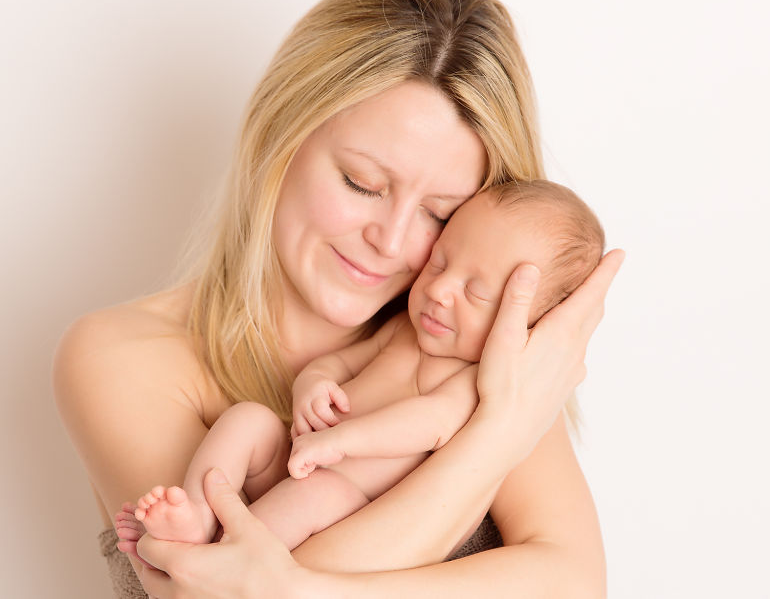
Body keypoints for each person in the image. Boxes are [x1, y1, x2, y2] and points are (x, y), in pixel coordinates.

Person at [53, 0, 624, 597]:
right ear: (278, 137)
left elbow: (574, 581)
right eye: (362, 183)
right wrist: (499, 435)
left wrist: (288, 588)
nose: (393, 240)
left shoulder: (463, 346)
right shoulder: (121, 356)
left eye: (440, 213)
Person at [114, 179, 605, 555]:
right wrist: (314, 382)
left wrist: (341, 442)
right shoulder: (402, 331)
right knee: (247, 419)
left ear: (527, 327)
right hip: (299, 454)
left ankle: (223, 562)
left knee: (311, 497)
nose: (439, 290)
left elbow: (426, 426)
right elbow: (339, 361)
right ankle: (197, 514)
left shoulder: (472, 383)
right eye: (439, 263)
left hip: (349, 503)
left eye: (475, 293)